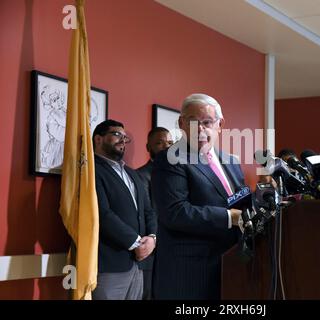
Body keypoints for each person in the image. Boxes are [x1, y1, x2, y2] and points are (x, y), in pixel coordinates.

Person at [151, 93, 244, 299]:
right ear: (181, 123)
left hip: (230, 266)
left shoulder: (230, 161)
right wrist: (231, 217)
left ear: (220, 124)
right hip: (189, 273)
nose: (200, 129)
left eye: (207, 122)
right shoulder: (169, 160)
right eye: (193, 122)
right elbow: (176, 213)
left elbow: (239, 200)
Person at [92, 119, 157, 300]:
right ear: (98, 139)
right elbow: (102, 214)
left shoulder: (132, 173)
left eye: (125, 137)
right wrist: (136, 243)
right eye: (116, 135)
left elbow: (148, 211)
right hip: (110, 264)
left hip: (138, 264)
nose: (122, 140)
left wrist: (152, 238)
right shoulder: (90, 171)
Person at [136, 127, 172, 300]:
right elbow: (146, 213)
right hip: (151, 253)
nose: (166, 147)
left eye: (170, 143)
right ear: (148, 147)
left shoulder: (178, 175)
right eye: (159, 143)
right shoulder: (141, 176)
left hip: (175, 250)